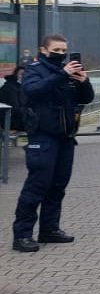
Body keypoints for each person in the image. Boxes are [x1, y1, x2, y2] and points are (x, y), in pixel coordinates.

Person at [11, 34, 94, 253]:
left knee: (58, 185)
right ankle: (22, 235)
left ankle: (49, 229)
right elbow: (32, 91)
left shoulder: (67, 71)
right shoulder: (35, 70)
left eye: (63, 50)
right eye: (56, 50)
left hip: (65, 137)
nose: (61, 54)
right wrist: (61, 74)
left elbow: (86, 98)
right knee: (37, 185)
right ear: (44, 50)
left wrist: (83, 81)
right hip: (42, 136)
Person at [0, 66, 27, 131]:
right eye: (22, 74)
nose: (24, 76)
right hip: (12, 121)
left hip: (16, 119)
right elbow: (15, 109)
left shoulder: (20, 87)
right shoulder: (10, 88)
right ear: (15, 75)